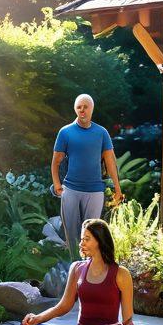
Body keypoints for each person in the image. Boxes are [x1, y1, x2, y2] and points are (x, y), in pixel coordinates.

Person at [22, 218, 134, 325]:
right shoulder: (77, 268)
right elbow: (64, 306)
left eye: (87, 239)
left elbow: (128, 323)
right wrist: (37, 318)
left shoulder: (121, 274)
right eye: (81, 239)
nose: (81, 244)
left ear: (100, 241)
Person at [52, 94, 123, 254]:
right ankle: (74, 267)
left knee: (91, 233)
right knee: (71, 233)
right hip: (70, 189)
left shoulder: (102, 132)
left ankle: (88, 269)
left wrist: (118, 188)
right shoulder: (65, 132)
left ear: (92, 108)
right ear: (75, 109)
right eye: (79, 107)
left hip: (95, 191)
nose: (82, 110)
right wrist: (57, 183)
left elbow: (110, 162)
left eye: (85, 107)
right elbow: (55, 161)